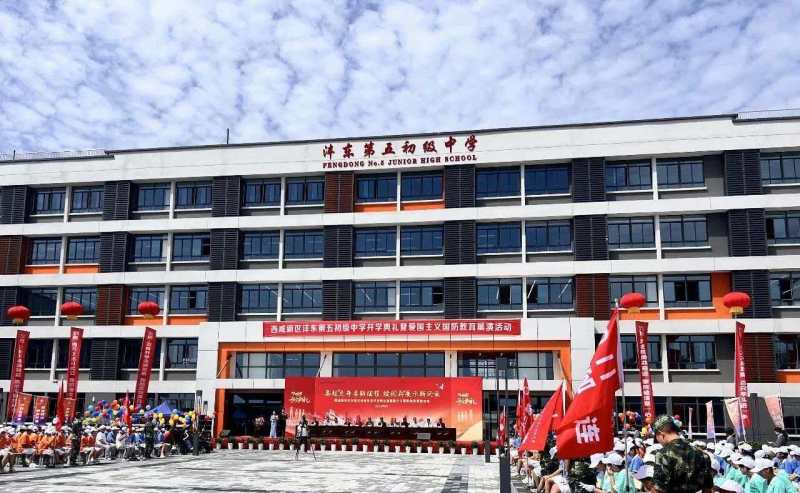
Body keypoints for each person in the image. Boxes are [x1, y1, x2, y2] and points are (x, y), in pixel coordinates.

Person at [651, 414, 713, 493]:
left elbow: (658, 489)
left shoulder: (663, 454)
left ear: (661, 434)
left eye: (656, 437)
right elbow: (708, 489)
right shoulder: (703, 455)